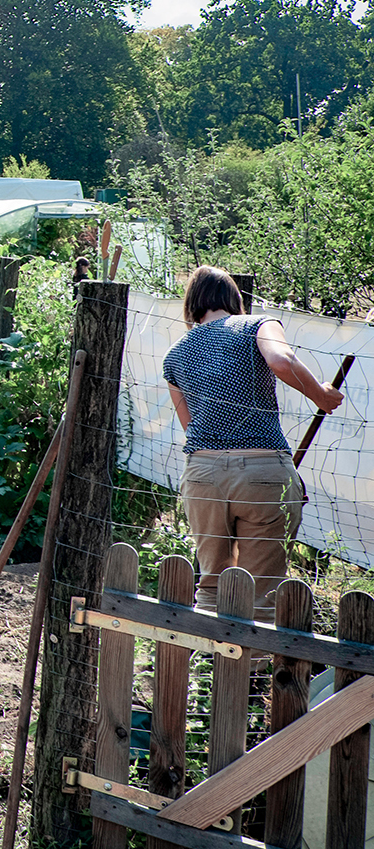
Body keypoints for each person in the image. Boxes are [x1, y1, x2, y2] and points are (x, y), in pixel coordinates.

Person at [164, 266, 344, 620]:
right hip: (262, 473)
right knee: (261, 589)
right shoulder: (258, 325)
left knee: (211, 585)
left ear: (192, 305)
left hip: (203, 476)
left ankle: (212, 668)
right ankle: (255, 672)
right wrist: (321, 396)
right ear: (235, 299)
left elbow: (191, 426)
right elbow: (280, 359)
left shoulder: (176, 354)